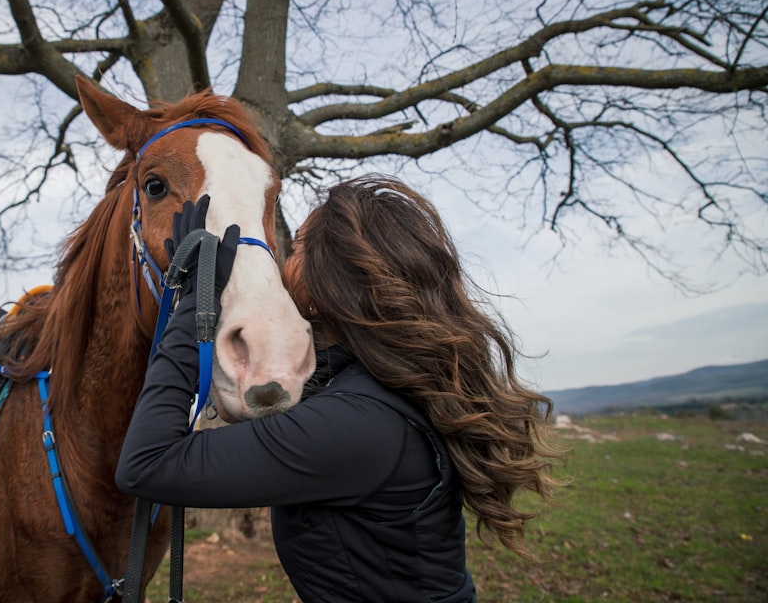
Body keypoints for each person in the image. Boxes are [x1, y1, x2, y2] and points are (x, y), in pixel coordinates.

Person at [116, 174, 563, 603]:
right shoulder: (374, 392)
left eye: (298, 250)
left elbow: (147, 465)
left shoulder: (360, 424)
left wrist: (193, 304)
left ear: (329, 283)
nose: (284, 265)